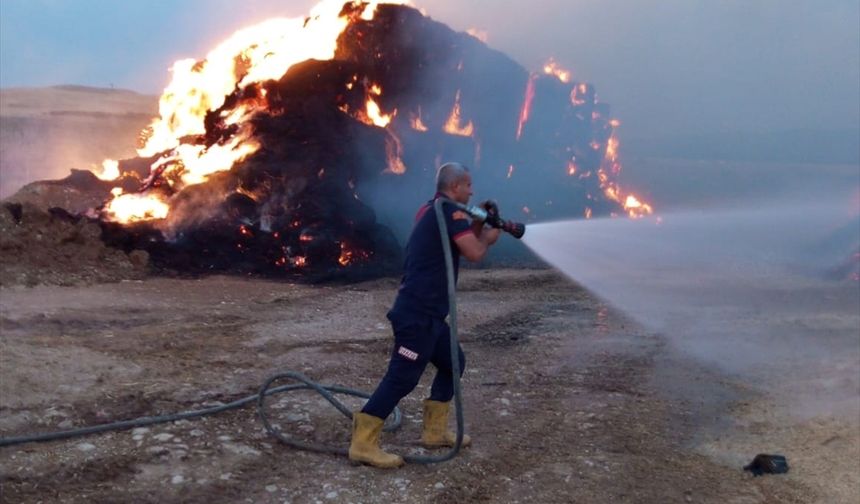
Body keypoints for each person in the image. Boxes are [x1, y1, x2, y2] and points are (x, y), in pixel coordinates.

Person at [349, 162, 501, 468]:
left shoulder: (433, 210)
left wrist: (477, 225)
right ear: (455, 186)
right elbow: (473, 252)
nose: (472, 191)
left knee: (453, 361)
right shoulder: (451, 211)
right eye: (468, 185)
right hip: (416, 315)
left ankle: (434, 432)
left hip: (429, 315)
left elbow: (457, 243)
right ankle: (362, 444)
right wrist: (488, 236)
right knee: (402, 377)